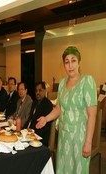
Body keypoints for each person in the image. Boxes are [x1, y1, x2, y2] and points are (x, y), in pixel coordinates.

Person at [36, 46, 97, 174]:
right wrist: (46, 118)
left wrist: (88, 142)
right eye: (67, 62)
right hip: (64, 138)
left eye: (73, 60)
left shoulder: (87, 81)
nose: (70, 65)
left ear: (79, 62)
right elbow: (59, 108)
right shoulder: (62, 83)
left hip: (80, 138)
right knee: (63, 170)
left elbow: (92, 115)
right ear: (64, 65)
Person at [25, 81, 53, 146]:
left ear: (45, 91)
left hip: (40, 137)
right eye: (36, 91)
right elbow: (30, 118)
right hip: (30, 134)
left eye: (40, 90)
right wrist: (24, 129)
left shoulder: (48, 104)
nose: (37, 93)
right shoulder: (34, 102)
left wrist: (32, 133)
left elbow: (45, 126)